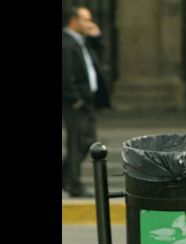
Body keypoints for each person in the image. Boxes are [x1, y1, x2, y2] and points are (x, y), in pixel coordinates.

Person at [62, 6, 110, 198]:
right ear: (73, 21)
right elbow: (65, 74)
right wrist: (74, 99)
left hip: (87, 101)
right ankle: (74, 184)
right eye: (85, 19)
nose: (89, 23)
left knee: (87, 141)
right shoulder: (66, 43)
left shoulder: (81, 41)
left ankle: (66, 177)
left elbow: (99, 57)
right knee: (77, 143)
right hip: (76, 102)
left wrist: (96, 36)